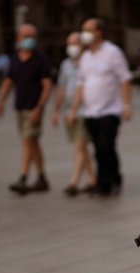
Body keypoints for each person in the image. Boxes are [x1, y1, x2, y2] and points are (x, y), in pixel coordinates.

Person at [68, 18, 133, 197]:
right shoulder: (86, 56)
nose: (85, 34)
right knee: (97, 148)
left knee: (107, 146)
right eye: (83, 30)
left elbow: (125, 79)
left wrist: (127, 105)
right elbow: (81, 84)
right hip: (90, 111)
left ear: (99, 32)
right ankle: (102, 183)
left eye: (88, 30)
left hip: (110, 110)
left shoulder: (112, 52)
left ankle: (113, 180)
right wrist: (74, 109)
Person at [0, 23, 53, 194]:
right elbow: (8, 81)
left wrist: (40, 106)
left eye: (32, 36)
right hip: (20, 106)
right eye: (25, 36)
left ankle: (23, 177)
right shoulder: (15, 58)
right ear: (18, 38)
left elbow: (47, 85)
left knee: (28, 141)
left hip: (34, 106)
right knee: (32, 142)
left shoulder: (40, 58)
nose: (29, 40)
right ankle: (42, 177)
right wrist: (1, 102)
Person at [52, 32, 95, 196]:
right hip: (68, 110)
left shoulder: (88, 62)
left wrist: (75, 110)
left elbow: (82, 88)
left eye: (75, 43)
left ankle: (74, 181)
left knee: (80, 144)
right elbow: (61, 88)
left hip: (85, 110)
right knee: (81, 146)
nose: (72, 47)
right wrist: (56, 110)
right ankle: (91, 178)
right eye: (69, 43)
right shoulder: (65, 64)